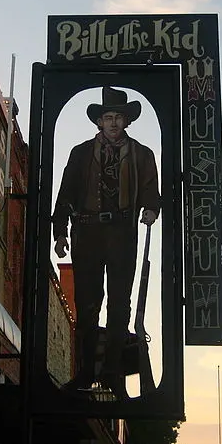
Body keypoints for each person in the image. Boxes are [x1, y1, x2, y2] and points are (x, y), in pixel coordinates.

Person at [53, 86, 160, 399]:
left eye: (118, 117)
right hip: (85, 232)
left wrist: (151, 208)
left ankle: (113, 374)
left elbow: (151, 189)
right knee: (86, 306)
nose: (113, 122)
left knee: (119, 305)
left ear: (126, 121)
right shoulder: (80, 153)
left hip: (122, 233)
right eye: (108, 117)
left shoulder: (142, 154)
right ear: (99, 121)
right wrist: (60, 231)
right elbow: (66, 192)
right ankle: (85, 372)